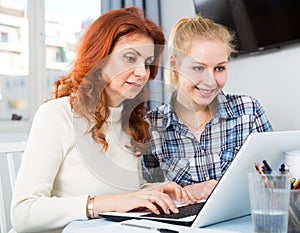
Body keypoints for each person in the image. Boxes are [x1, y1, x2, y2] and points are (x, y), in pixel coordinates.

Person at [10, 7, 196, 233]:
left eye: (147, 63)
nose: (142, 73)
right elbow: (23, 213)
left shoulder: (130, 122)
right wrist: (104, 203)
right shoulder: (57, 115)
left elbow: (120, 194)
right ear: (99, 56)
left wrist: (153, 190)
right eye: (129, 58)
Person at [142, 15, 273, 200]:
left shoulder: (248, 111)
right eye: (198, 68)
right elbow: (145, 197)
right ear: (174, 65)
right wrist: (185, 194)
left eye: (219, 68)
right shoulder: (152, 127)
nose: (210, 81)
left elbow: (274, 180)